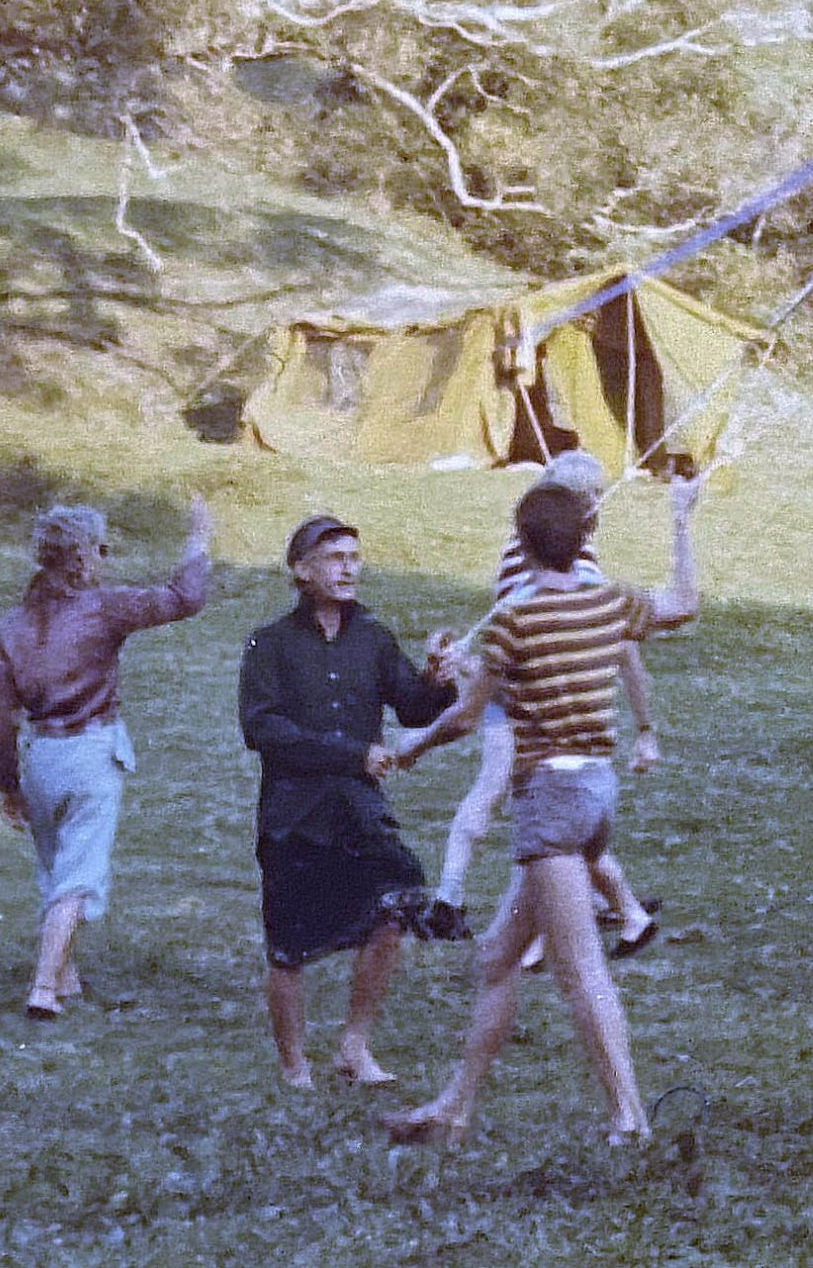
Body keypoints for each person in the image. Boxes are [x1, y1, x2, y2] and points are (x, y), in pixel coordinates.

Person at [382, 476, 703, 1147]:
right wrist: (680, 516)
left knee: (579, 964)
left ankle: (630, 1119)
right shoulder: (609, 600)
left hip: (550, 806)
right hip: (594, 798)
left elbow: (468, 718)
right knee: (498, 955)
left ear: (522, 544)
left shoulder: (514, 617)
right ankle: (453, 1109)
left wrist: (411, 745)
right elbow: (685, 603)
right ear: (584, 539)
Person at [238, 513, 459, 1087]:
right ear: (301, 571)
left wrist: (437, 677)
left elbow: (413, 707)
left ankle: (354, 1047)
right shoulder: (271, 643)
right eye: (335, 558)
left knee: (397, 901)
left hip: (357, 811)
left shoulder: (373, 637)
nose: (348, 568)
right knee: (287, 946)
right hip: (293, 813)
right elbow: (262, 729)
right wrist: (352, 753)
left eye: (353, 558)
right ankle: (294, 1068)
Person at [428, 450, 662, 961]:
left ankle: (552, 921)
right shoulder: (567, 558)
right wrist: (645, 728)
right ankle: (490, 911)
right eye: (593, 497)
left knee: (531, 809)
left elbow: (514, 630)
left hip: (518, 693)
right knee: (525, 804)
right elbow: (592, 641)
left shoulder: (525, 545)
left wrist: (469, 667)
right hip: (535, 701)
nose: (599, 505)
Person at [0, 497, 211, 1019]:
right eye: (100, 549)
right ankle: (44, 988)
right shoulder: (104, 607)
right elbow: (186, 598)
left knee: (53, 870)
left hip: (39, 755)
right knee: (79, 874)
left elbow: (3, 719)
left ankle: (65, 977)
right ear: (77, 559)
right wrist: (199, 537)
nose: (105, 558)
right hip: (90, 751)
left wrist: (8, 785)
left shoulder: (11, 625)